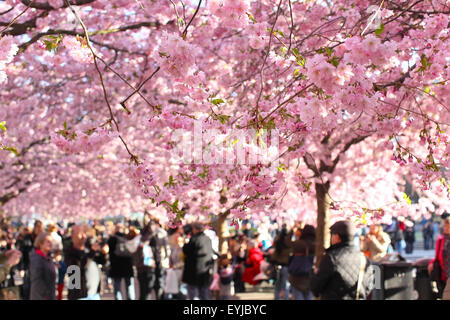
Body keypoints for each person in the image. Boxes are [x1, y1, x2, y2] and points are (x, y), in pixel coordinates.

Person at [310, 220, 371, 300]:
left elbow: (316, 288)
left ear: (337, 237)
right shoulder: (364, 258)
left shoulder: (332, 258)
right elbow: (369, 287)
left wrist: (313, 274)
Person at [64, 225, 103, 300]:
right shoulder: (70, 252)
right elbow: (76, 271)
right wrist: (92, 252)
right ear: (72, 236)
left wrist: (103, 254)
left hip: (94, 294)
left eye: (84, 233)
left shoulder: (87, 250)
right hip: (80, 296)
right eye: (80, 233)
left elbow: (101, 263)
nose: (83, 236)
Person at [182, 222, 214, 300]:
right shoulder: (207, 239)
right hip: (205, 270)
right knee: (204, 292)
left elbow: (186, 250)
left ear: (195, 229)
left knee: (193, 293)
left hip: (193, 270)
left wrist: (185, 244)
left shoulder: (194, 239)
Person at [107, 224, 136, 300]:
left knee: (117, 288)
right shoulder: (128, 238)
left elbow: (110, 252)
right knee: (129, 286)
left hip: (116, 266)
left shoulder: (112, 239)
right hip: (128, 265)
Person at [288, 224, 315, 300]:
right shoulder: (317, 244)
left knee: (298, 296)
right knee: (309, 296)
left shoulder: (298, 243)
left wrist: (292, 230)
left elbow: (287, 242)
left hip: (297, 275)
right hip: (311, 275)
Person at [428, 216, 450, 299]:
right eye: (445, 226)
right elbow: (437, 257)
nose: (446, 228)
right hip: (443, 275)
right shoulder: (441, 240)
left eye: (448, 226)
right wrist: (431, 263)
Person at [29, 232, 56, 300]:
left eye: (51, 241)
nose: (51, 244)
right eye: (48, 242)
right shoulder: (37, 258)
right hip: (41, 296)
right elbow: (37, 281)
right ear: (40, 244)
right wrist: (47, 294)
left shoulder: (47, 257)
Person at [270, 224, 293, 300]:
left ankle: (277, 298)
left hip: (277, 265)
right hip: (286, 266)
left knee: (278, 286)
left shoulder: (277, 242)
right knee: (286, 285)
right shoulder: (289, 244)